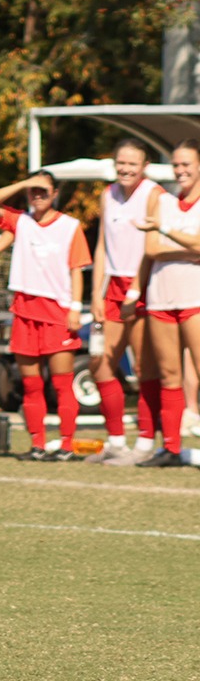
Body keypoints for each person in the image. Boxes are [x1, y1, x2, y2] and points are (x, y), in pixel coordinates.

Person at [0, 172, 91, 460]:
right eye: (33, 191)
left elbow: (77, 268)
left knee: (62, 382)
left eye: (43, 190)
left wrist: (76, 308)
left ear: (55, 194)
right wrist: (22, 184)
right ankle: (37, 445)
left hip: (57, 313)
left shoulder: (69, 226)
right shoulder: (21, 221)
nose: (37, 195)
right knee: (30, 383)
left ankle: (66, 446)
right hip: (25, 312)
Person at [85, 138, 162, 464]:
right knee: (100, 365)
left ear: (144, 166)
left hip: (144, 286)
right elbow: (102, 245)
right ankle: (116, 440)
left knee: (146, 368)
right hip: (112, 288)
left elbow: (151, 246)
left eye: (132, 163)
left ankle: (146, 443)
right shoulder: (108, 195)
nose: (126, 169)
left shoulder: (154, 194)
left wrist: (134, 291)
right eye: (121, 163)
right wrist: (96, 294)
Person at [134, 138, 200, 466]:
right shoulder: (163, 202)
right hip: (161, 297)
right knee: (169, 375)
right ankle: (171, 448)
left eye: (186, 164)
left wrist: (166, 232)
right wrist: (186, 246)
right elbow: (151, 250)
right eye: (176, 164)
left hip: (195, 298)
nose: (180, 170)